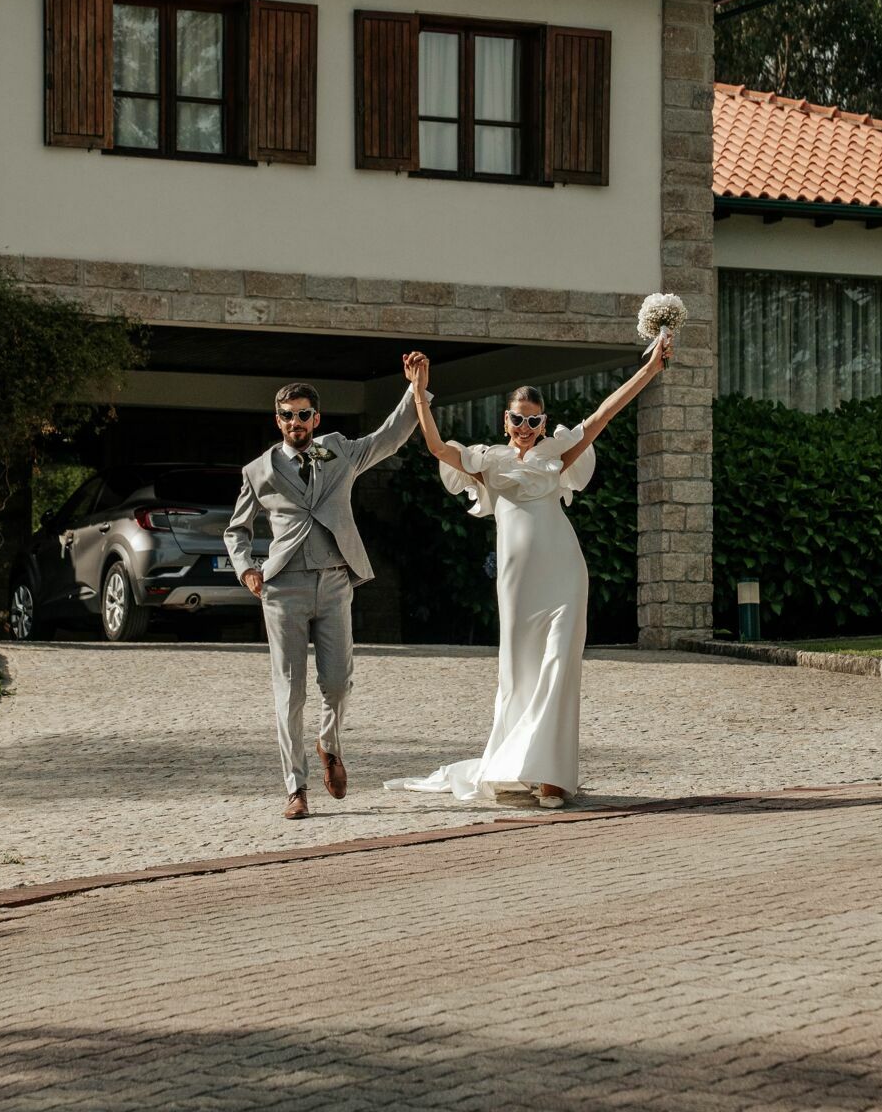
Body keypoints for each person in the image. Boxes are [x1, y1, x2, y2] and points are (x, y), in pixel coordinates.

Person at [385, 337, 670, 809]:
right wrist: (419, 390)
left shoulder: (556, 454)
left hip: (564, 573)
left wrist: (650, 370)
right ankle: (519, 765)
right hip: (517, 582)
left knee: (560, 665)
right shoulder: (486, 461)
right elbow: (436, 446)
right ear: (506, 420)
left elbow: (604, 414)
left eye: (533, 420)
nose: (524, 427)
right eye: (517, 419)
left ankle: (552, 777)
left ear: (542, 422)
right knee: (519, 675)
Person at [225, 355, 428, 821]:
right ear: (277, 420)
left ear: (316, 418)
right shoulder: (258, 470)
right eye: (287, 415)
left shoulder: (335, 451)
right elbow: (236, 530)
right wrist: (247, 568)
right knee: (290, 692)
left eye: (303, 414)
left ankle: (328, 744)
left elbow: (388, 438)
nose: (295, 422)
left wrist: (415, 390)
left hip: (335, 580)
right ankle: (295, 787)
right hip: (283, 588)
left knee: (337, 684)